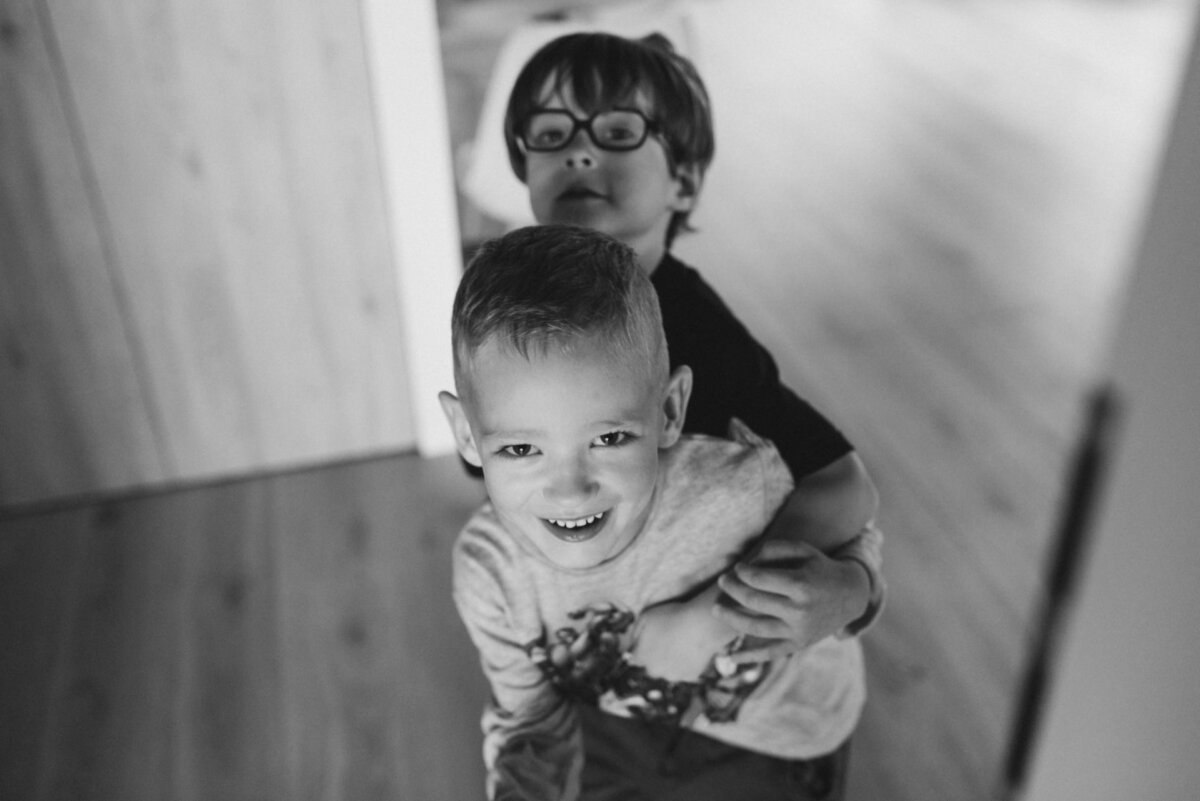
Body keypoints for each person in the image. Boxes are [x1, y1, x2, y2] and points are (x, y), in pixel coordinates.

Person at [440, 224, 879, 800]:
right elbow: (531, 720)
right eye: (521, 449)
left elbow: (846, 548)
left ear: (670, 411)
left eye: (609, 439)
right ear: (467, 437)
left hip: (773, 744)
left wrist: (856, 591)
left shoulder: (739, 487)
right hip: (611, 737)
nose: (570, 490)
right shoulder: (487, 571)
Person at [501, 30, 883, 683]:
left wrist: (718, 613)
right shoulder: (501, 310)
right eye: (551, 132)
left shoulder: (699, 332)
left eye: (618, 131)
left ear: (683, 181)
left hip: (728, 694)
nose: (580, 151)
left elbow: (843, 484)